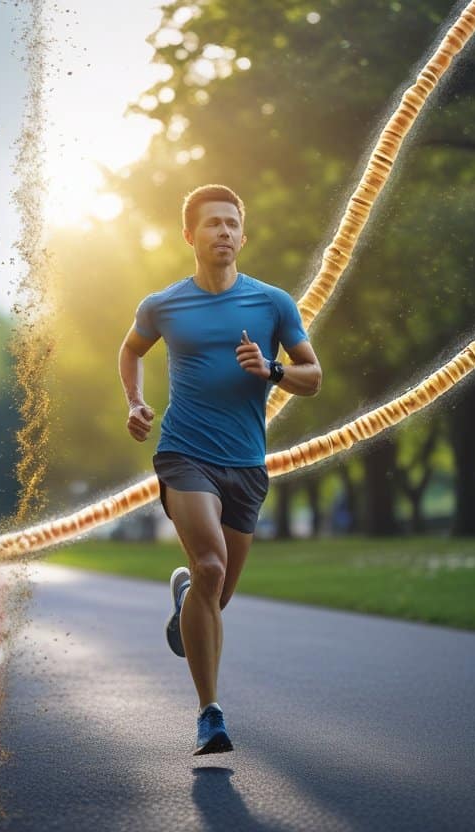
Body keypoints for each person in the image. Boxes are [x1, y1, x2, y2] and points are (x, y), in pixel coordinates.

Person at [117, 184, 321, 755]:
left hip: (246, 465)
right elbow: (131, 350)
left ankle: (186, 598)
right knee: (210, 563)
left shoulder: (273, 303)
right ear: (190, 235)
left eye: (232, 223)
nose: (224, 232)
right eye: (213, 223)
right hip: (184, 454)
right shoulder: (162, 305)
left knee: (215, 593)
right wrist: (135, 402)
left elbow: (313, 377)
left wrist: (272, 369)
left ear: (243, 236)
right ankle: (210, 714)